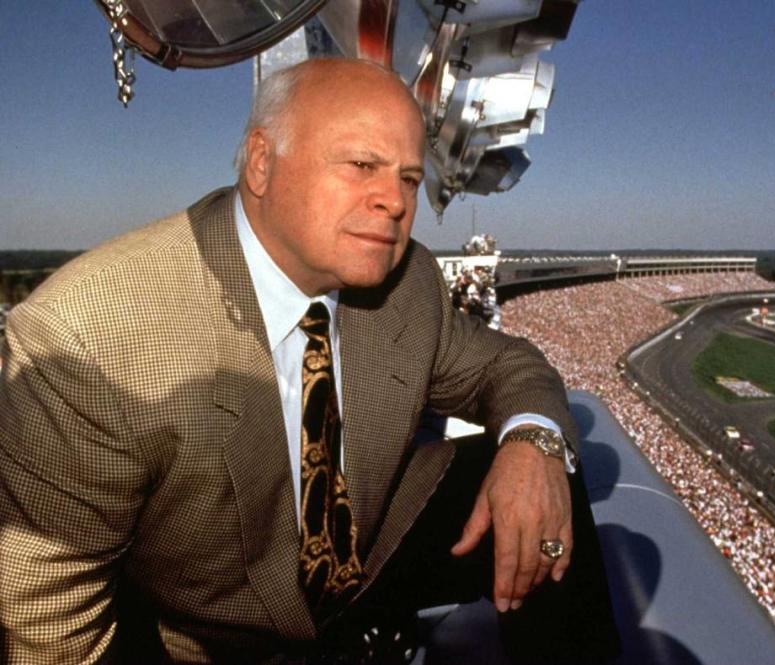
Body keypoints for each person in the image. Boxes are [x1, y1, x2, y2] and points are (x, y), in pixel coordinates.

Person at [0, 59, 616, 663]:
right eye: (361, 165)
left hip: (361, 566)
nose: (396, 202)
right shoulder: (87, 335)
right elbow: (47, 623)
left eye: (406, 177)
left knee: (548, 490)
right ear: (263, 163)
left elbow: (507, 366)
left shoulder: (408, 283)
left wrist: (533, 444)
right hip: (204, 634)